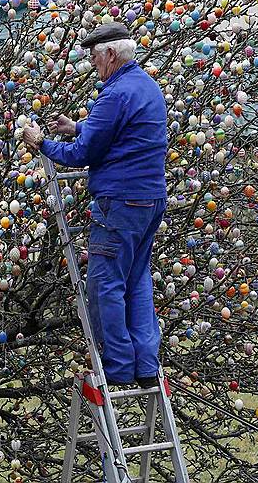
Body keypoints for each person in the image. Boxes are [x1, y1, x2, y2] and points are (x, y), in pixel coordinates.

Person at [23, 22, 169, 388]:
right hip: (150, 200)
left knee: (105, 284)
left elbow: (84, 154)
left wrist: (43, 144)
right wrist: (77, 127)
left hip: (119, 202)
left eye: (95, 57)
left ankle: (118, 367)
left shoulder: (115, 93)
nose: (93, 64)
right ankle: (146, 365)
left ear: (110, 54)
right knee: (136, 280)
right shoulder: (146, 87)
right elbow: (118, 134)